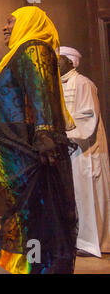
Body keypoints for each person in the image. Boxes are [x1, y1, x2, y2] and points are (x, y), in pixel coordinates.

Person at [0, 6, 78, 274]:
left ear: (28, 22)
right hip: (18, 155)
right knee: (29, 222)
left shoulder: (33, 48)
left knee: (39, 220)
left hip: (31, 157)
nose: (5, 27)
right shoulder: (17, 55)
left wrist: (45, 134)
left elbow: (41, 91)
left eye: (10, 21)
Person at [59, 46, 110, 257]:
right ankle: (80, 238)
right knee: (76, 196)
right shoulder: (59, 86)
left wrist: (63, 132)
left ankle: (94, 243)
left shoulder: (83, 83)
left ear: (70, 62)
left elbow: (88, 117)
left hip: (87, 150)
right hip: (70, 151)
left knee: (89, 196)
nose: (54, 63)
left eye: (58, 59)